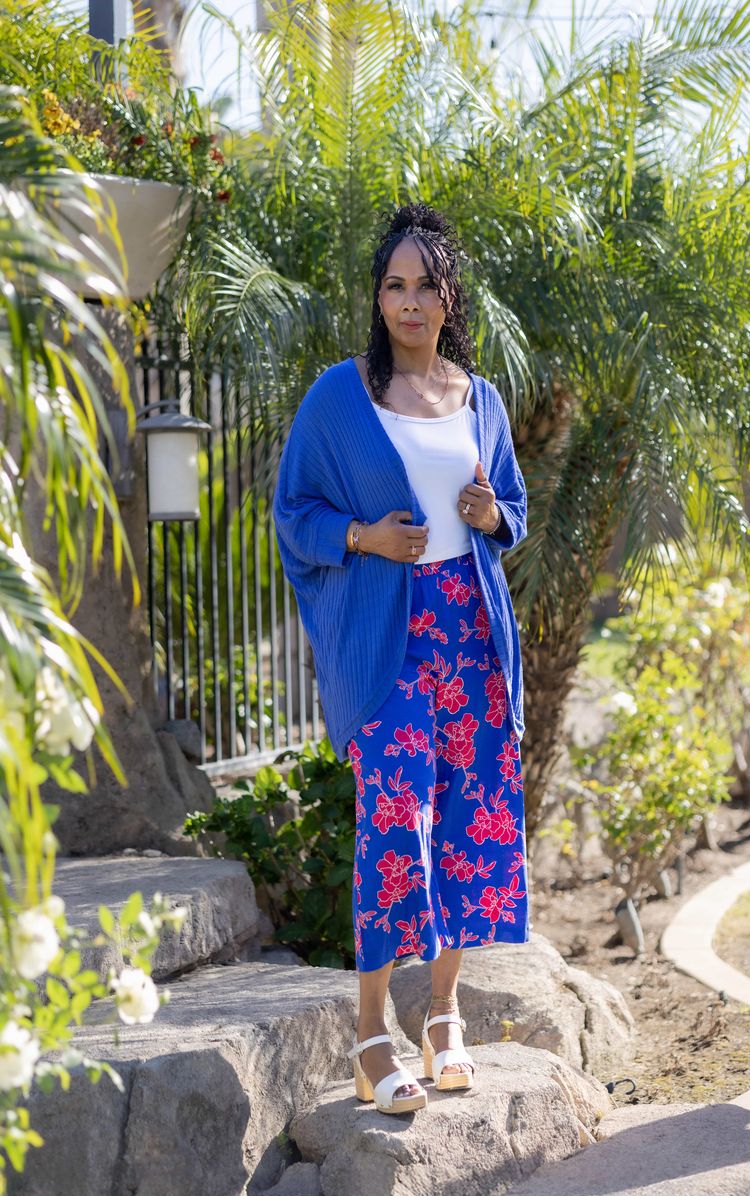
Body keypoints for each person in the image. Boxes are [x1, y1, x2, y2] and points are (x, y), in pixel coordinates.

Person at [273, 202, 528, 1115]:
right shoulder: (340, 399)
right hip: (392, 645)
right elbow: (291, 514)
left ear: (450, 295)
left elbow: (514, 512)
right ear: (377, 298)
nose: (409, 301)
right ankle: (372, 1036)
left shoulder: (481, 397)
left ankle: (446, 1016)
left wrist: (490, 514)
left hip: (475, 638)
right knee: (395, 825)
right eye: (394, 284)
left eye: (426, 285)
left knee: (469, 825)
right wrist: (365, 537)